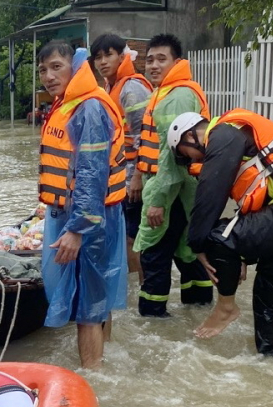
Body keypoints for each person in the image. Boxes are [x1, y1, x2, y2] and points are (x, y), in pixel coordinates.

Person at [168, 109, 273, 355]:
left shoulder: (222, 134)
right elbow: (257, 202)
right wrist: (243, 252)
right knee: (272, 287)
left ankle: (226, 307)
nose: (193, 163)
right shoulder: (238, 138)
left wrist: (198, 245)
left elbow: (210, 195)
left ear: (191, 137)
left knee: (217, 237)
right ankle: (269, 357)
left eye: (186, 156)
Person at [37, 41, 129, 368]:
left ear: (75, 67)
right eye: (43, 70)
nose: (48, 76)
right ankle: (105, 357)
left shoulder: (88, 107)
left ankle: (94, 378)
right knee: (97, 294)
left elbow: (91, 172)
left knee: (87, 306)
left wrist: (76, 229)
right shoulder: (73, 103)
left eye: (56, 67)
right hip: (94, 216)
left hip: (91, 221)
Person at [133, 33, 213, 317]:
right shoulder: (173, 91)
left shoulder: (175, 97)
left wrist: (158, 200)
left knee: (154, 254)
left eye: (161, 59)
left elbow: (171, 156)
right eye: (149, 59)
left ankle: (153, 320)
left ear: (176, 62)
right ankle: (200, 307)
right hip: (188, 189)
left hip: (173, 190)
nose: (153, 65)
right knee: (187, 253)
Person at [91, 33, 153, 284]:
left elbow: (144, 135)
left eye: (109, 55)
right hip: (120, 173)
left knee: (132, 236)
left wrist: (137, 176)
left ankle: (142, 288)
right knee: (126, 234)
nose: (103, 61)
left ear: (121, 56)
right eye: (98, 57)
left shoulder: (131, 88)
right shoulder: (111, 86)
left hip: (134, 174)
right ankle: (133, 290)